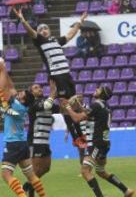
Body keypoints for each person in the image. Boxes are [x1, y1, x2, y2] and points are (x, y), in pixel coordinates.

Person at [13, 8, 88, 147]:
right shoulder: (40, 41)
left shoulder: (56, 41)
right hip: (57, 77)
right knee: (66, 107)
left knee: (74, 104)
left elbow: (70, 35)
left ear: (49, 31)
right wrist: (23, 20)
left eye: (45, 29)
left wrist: (80, 22)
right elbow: (31, 32)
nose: (43, 31)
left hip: (67, 76)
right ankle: (77, 139)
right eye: (41, 30)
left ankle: (81, 137)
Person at [63, 87, 134, 197]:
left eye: (99, 89)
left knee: (85, 171)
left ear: (102, 94)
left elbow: (77, 118)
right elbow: (89, 114)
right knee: (101, 171)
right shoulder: (104, 106)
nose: (96, 89)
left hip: (95, 143)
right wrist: (79, 104)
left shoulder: (96, 105)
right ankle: (126, 190)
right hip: (105, 143)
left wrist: (68, 107)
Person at [1, 86, 50, 197]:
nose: (20, 92)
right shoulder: (22, 107)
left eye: (22, 93)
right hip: (22, 144)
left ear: (23, 99)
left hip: (13, 143)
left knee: (6, 174)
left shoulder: (16, 105)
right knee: (31, 175)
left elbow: (5, 91)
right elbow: (4, 110)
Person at [23, 81, 59, 197]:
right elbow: (47, 105)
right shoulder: (33, 104)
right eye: (36, 88)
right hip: (35, 140)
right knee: (35, 169)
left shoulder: (44, 102)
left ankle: (26, 186)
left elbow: (57, 108)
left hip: (45, 141)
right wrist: (54, 92)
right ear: (32, 93)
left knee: (46, 168)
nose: (40, 89)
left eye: (40, 87)